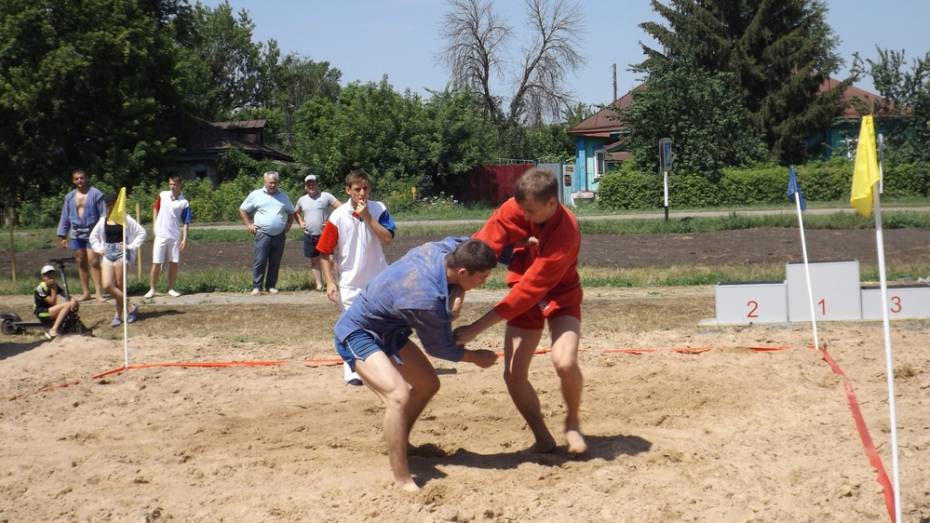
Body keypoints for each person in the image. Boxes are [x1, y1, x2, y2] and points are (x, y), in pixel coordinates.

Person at [334, 237, 499, 491]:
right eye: (481, 277)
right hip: (358, 333)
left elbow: (469, 240)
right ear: (463, 271)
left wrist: (459, 292)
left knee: (427, 383)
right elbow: (440, 348)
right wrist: (477, 357)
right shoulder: (425, 297)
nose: (484, 282)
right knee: (397, 395)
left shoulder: (440, 249)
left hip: (389, 331)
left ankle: (402, 441)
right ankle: (402, 479)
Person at [454, 168, 587, 455]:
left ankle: (573, 422)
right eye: (521, 209)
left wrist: (475, 328)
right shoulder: (516, 206)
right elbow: (480, 249)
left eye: (531, 211)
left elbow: (529, 292)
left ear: (552, 203)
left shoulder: (566, 234)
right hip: (521, 286)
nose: (524, 217)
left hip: (558, 293)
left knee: (564, 362)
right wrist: (457, 292)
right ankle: (543, 439)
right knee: (513, 374)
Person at [317, 167, 395, 386]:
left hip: (379, 279)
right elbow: (324, 252)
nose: (362, 193)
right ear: (348, 190)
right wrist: (330, 282)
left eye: (366, 189)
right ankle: (352, 370)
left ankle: (383, 364)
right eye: (357, 189)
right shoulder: (337, 216)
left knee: (382, 324)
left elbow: (388, 239)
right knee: (352, 326)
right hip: (350, 282)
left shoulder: (379, 209)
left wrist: (368, 217)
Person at [89, 192, 147, 327]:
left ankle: (117, 315)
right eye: (108, 204)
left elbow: (142, 232)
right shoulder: (103, 220)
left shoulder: (125, 218)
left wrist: (130, 246)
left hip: (121, 253)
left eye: (112, 203)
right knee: (108, 285)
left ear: (117, 203)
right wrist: (98, 248)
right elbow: (93, 237)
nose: (110, 206)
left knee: (120, 285)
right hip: (108, 254)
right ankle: (130, 307)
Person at [239, 171, 295, 295]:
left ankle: (271, 285)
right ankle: (257, 286)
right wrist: (248, 224)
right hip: (262, 233)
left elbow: (292, 212)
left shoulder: (283, 196)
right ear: (265, 182)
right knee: (260, 260)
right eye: (270, 183)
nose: (273, 185)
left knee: (275, 260)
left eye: (275, 183)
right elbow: (243, 209)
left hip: (279, 234)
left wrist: (287, 227)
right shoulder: (256, 194)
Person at [56, 169, 107, 302]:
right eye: (77, 179)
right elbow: (65, 216)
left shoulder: (96, 194)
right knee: (80, 262)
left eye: (82, 178)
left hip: (93, 233)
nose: (80, 180)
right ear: (73, 181)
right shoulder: (69, 197)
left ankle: (98, 293)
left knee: (94, 262)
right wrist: (62, 235)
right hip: (77, 234)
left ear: (86, 178)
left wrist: (104, 232)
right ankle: (86, 293)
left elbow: (103, 215)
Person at [144, 175, 192, 299]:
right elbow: (155, 208)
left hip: (175, 236)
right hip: (160, 234)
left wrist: (184, 239)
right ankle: (152, 289)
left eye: (174, 184)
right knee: (156, 262)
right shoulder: (163, 195)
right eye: (170, 184)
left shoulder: (184, 202)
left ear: (180, 185)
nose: (172, 187)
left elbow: (186, 222)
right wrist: (154, 226)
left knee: (174, 262)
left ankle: (171, 288)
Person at [293, 173, 340, 291]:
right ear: (305, 187)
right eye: (308, 184)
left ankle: (334, 283)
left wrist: (331, 221)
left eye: (313, 183)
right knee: (314, 261)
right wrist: (301, 223)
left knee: (330, 260)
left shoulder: (326, 196)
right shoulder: (302, 200)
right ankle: (319, 285)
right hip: (309, 235)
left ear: (317, 184)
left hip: (325, 234)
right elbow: (295, 212)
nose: (311, 186)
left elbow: (340, 207)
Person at [34, 264, 80, 340]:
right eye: (47, 275)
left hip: (51, 310)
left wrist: (74, 300)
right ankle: (53, 330)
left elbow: (66, 295)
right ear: (43, 277)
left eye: (51, 274)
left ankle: (70, 328)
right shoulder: (40, 289)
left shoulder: (54, 285)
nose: (50, 277)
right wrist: (53, 289)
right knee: (67, 305)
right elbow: (52, 302)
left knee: (70, 304)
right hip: (42, 312)